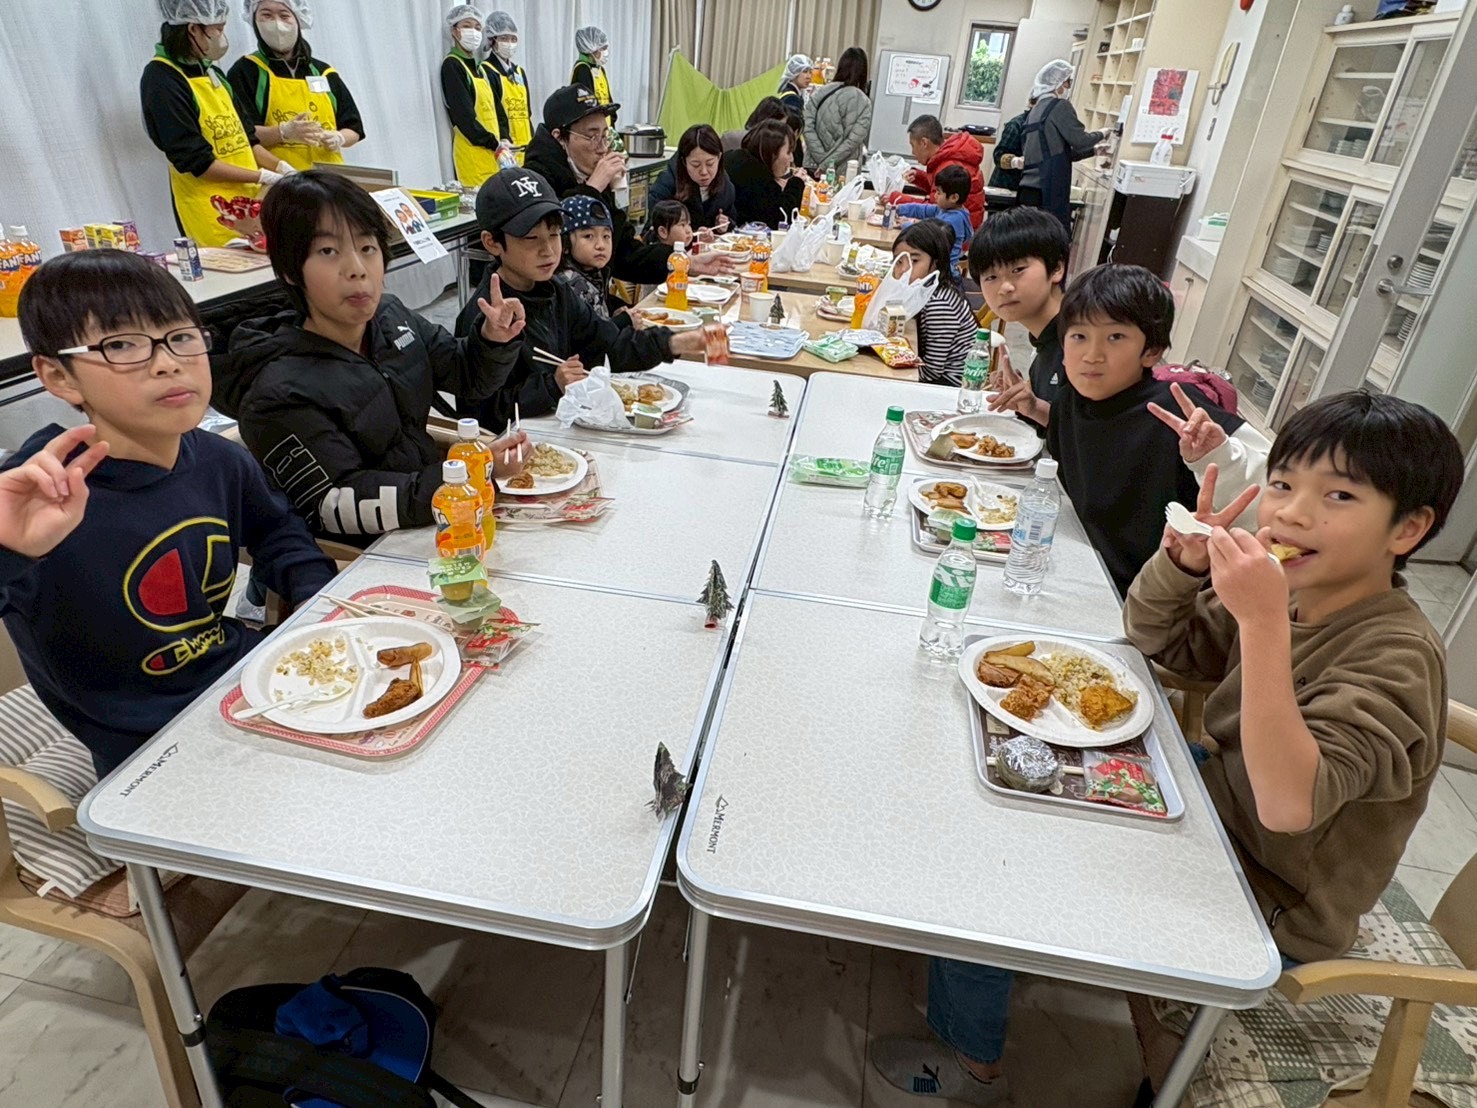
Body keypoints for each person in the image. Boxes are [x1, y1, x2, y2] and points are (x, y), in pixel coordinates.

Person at [874, 390, 1462, 1105]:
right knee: (991, 804)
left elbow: (1288, 805)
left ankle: (970, 1071)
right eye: (1281, 484)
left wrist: (1265, 626)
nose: (1290, 513)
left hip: (1268, 901)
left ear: (1408, 529)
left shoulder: (1394, 655)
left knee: (991, 871)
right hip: (1207, 816)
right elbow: (1160, 644)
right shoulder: (1297, 593)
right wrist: (1181, 567)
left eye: (1338, 495)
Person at [2, 250, 337, 777]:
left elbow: (277, 530)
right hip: (143, 747)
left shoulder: (219, 459)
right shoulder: (39, 497)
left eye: (181, 337)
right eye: (122, 345)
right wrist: (7, 550)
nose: (167, 361)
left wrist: (316, 601)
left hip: (243, 678)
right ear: (59, 377)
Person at [212, 171, 526, 545]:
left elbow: (466, 376)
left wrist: (493, 340)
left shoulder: (389, 318)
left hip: (434, 508)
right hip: (367, 549)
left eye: (367, 248)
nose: (357, 269)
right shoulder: (277, 390)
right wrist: (467, 476)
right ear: (290, 271)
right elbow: (339, 501)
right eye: (328, 252)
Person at [1044, 265, 1268, 595]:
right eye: (1079, 336)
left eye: (1115, 337)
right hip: (1085, 577)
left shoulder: (1182, 410)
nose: (1092, 355)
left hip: (1161, 600)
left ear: (1151, 351)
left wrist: (1219, 456)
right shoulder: (1068, 402)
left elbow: (1274, 496)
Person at [455, 168, 711, 427]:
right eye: (531, 238)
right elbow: (478, 414)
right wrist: (550, 386)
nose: (548, 250)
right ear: (492, 242)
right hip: (520, 446)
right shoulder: (483, 317)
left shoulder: (557, 291)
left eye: (554, 234)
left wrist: (677, 342)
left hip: (566, 426)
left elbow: (609, 344)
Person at [525, 86, 733, 285]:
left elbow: (624, 252)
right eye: (592, 136)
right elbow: (553, 253)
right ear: (559, 137)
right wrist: (593, 188)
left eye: (605, 135)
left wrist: (685, 262)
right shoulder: (536, 179)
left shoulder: (588, 173)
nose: (602, 147)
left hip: (593, 301)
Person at [141, 0, 288, 248]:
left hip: (250, 204)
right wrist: (262, 176)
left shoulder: (213, 72)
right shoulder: (162, 80)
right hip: (211, 210)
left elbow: (246, 139)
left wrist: (283, 169)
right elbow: (197, 162)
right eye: (217, 30)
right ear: (193, 29)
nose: (222, 37)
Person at [227, 0, 364, 172]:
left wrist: (339, 137)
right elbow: (241, 135)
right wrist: (283, 132)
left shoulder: (323, 72)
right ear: (254, 20)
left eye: (284, 15)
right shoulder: (246, 71)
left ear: (299, 18)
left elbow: (354, 127)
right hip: (278, 180)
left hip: (329, 180)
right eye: (266, 15)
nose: (276, 23)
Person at [968, 207, 1070, 417]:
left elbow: (1094, 436)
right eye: (991, 277)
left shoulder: (1081, 339)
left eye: (1017, 270)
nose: (1004, 287)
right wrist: (1026, 397)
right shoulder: (1045, 340)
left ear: (1057, 268)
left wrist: (1035, 407)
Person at [1020, 59, 1108, 231]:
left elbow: (1057, 151)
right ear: (1058, 83)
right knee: (1052, 241)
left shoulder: (1035, 111)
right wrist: (1103, 133)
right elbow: (1080, 141)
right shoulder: (1059, 106)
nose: (1067, 87)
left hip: (1028, 189)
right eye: (1067, 82)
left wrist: (1094, 151)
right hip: (1048, 191)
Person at [892, 221, 977, 387]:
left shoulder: (939, 303)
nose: (903, 270)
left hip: (949, 386)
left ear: (935, 263)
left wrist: (893, 375)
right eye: (898, 261)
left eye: (914, 261)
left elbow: (932, 370)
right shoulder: (923, 290)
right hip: (933, 375)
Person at [440, 4, 504, 190]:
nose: (473, 32)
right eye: (467, 26)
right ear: (454, 31)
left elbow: (496, 107)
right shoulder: (452, 66)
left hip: (493, 153)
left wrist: (504, 138)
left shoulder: (480, 68)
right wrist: (494, 143)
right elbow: (465, 118)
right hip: (473, 154)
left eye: (477, 28)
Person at [889, 115, 986, 231]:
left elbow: (934, 207)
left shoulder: (948, 166)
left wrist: (897, 199)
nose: (913, 152)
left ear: (924, 143)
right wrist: (919, 177)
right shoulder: (949, 157)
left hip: (952, 238)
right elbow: (943, 189)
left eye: (913, 145)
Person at [648, 125, 736, 231]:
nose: (704, 172)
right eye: (695, 165)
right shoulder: (667, 184)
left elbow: (732, 220)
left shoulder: (724, 183)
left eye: (710, 164)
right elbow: (651, 232)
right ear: (684, 162)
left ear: (719, 157)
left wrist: (724, 224)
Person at [553, 194, 625, 324]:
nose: (600, 245)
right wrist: (622, 322)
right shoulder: (571, 283)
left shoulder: (592, 272)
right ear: (564, 244)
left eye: (606, 236)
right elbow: (593, 339)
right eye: (588, 236)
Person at [724, 120, 807, 230]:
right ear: (772, 152)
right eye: (788, 152)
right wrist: (797, 183)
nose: (791, 159)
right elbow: (782, 220)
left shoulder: (738, 157)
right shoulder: (756, 175)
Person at [802, 47, 872, 173]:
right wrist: (827, 164)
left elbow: (807, 127)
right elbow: (852, 141)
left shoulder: (820, 92)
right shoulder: (864, 101)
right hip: (844, 172)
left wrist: (821, 160)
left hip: (813, 166)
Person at [895, 165, 975, 269]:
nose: (935, 196)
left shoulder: (953, 220)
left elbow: (926, 238)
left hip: (944, 272)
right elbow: (922, 210)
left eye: (939, 192)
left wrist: (906, 225)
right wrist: (900, 208)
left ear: (954, 197)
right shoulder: (945, 209)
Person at [485, 11, 534, 156]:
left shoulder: (519, 72)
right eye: (504, 38)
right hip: (507, 146)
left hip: (526, 144)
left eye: (513, 39)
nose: (509, 43)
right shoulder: (487, 70)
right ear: (492, 40)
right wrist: (504, 140)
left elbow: (527, 112)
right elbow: (496, 113)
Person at [987, 98, 1034, 192]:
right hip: (1004, 187)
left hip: (1026, 187)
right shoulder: (1016, 125)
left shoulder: (1047, 127)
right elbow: (998, 156)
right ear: (1032, 103)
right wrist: (1016, 161)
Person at [571, 26, 615, 119]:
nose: (605, 52)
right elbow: (587, 105)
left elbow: (608, 98)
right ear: (591, 49)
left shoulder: (600, 69)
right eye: (602, 48)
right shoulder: (582, 69)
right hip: (592, 127)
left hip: (604, 126)